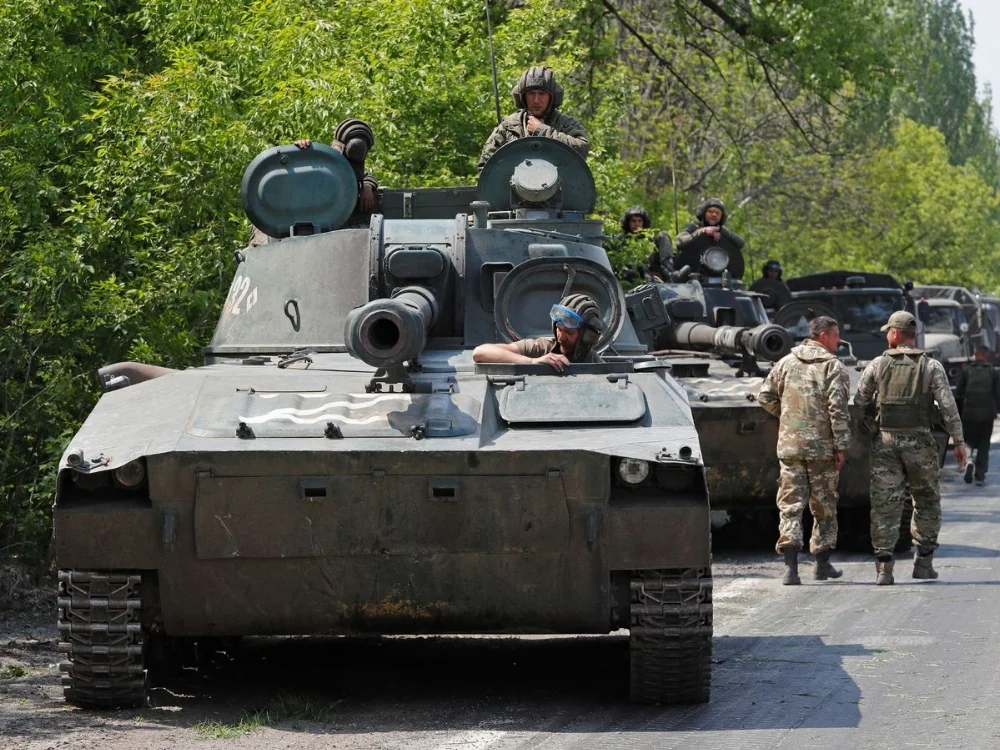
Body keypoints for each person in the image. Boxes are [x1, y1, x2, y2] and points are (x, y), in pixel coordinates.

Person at [854, 310, 968, 585]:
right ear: (912, 336)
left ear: (894, 334)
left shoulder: (877, 364)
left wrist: (869, 429)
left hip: (885, 442)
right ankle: (924, 564)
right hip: (920, 443)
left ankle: (884, 568)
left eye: (887, 332)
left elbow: (859, 402)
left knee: (885, 504)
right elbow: (948, 407)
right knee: (927, 502)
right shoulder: (931, 366)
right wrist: (959, 441)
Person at [758, 316, 851, 585]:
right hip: (822, 449)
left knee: (790, 506)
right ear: (823, 336)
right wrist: (841, 446)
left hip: (790, 446)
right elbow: (838, 409)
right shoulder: (832, 366)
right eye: (836, 336)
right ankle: (822, 565)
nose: (838, 341)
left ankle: (791, 569)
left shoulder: (786, 362)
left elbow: (765, 396)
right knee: (824, 506)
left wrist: (788, 417)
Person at [250, 118, 379, 247]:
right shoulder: (318, 162)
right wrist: (300, 152)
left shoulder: (345, 171)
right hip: (288, 226)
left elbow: (360, 176)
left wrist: (367, 186)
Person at [477, 66, 589, 172]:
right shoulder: (508, 127)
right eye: (531, 94)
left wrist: (542, 130)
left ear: (552, 97)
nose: (536, 100)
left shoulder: (565, 125)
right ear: (523, 97)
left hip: (559, 190)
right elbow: (485, 168)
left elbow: (582, 150)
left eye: (542, 94)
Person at [472, 294, 604, 371]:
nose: (561, 337)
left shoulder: (594, 362)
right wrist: (532, 362)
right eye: (559, 329)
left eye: (569, 332)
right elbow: (480, 352)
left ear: (587, 337)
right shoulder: (542, 347)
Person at [955, 345, 1000, 486]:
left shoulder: (966, 370)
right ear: (986, 356)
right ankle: (980, 476)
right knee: (983, 444)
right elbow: (998, 394)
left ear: (974, 354)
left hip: (969, 414)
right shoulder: (993, 372)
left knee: (968, 441)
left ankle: (968, 461)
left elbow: (959, 392)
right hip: (986, 416)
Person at [674, 198, 745, 258]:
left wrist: (720, 229)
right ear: (703, 213)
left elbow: (741, 243)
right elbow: (679, 242)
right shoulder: (695, 226)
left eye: (718, 213)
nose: (714, 215)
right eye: (710, 212)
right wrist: (702, 231)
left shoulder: (722, 231)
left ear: (721, 217)